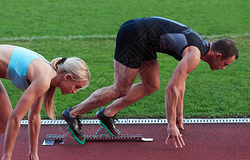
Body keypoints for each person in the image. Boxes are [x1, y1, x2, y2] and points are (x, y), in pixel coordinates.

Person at [62, 16, 239, 147]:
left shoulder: (199, 49)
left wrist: (179, 114)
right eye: (225, 64)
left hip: (146, 41)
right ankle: (73, 113)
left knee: (151, 85)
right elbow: (171, 88)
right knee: (121, 88)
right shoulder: (194, 54)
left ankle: (107, 113)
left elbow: (180, 83)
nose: (223, 67)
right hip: (134, 35)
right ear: (218, 55)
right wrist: (170, 125)